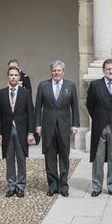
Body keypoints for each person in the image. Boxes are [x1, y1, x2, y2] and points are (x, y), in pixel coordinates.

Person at [35, 60, 80, 197]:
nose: (56, 73)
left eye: (59, 70)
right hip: (48, 128)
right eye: (54, 70)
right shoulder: (43, 86)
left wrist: (75, 125)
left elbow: (75, 107)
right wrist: (37, 125)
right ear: (51, 72)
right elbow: (38, 108)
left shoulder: (70, 86)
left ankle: (64, 186)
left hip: (64, 127)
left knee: (64, 157)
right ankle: (53, 186)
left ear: (63, 72)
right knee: (50, 158)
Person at [86, 59, 112, 197]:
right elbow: (89, 105)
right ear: (103, 70)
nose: (110, 71)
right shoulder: (95, 85)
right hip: (99, 125)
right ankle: (97, 187)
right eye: (108, 69)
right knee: (98, 157)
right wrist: (98, 117)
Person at [0, 66, 35, 198]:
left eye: (16, 75)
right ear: (8, 76)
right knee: (9, 159)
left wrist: (30, 132)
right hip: (6, 131)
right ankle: (11, 186)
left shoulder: (25, 93)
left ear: (19, 77)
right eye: (11, 75)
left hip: (21, 131)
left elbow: (30, 113)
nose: (13, 77)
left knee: (21, 159)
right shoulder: (0, 93)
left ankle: (21, 186)